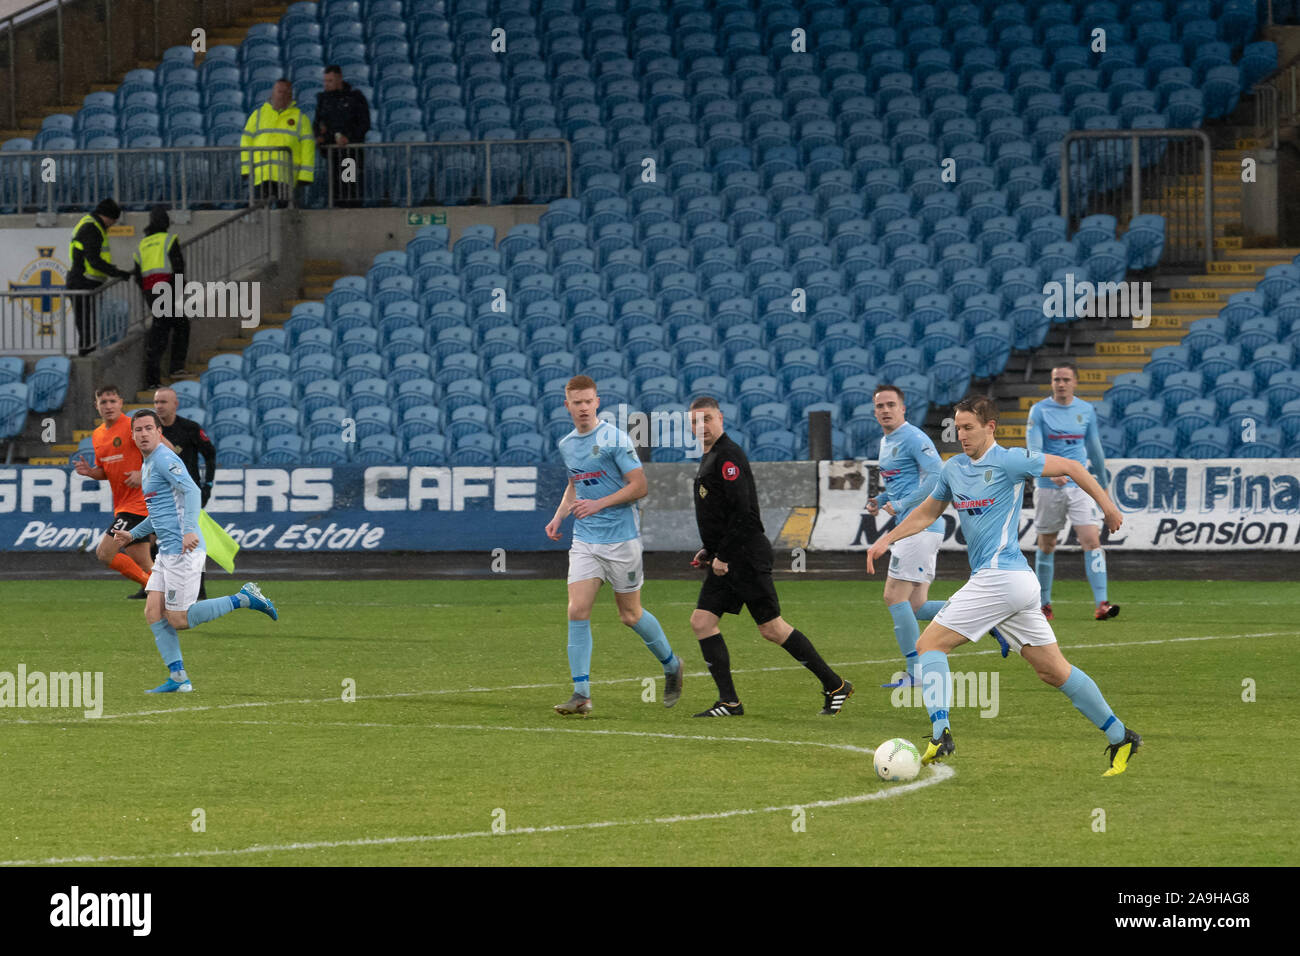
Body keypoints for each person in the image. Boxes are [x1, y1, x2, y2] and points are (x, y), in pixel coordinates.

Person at [866, 395, 1141, 776]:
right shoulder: (953, 469)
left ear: (990, 427)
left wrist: (1107, 507)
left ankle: (939, 732)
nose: (960, 435)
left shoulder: (1011, 460)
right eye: (957, 428)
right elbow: (927, 512)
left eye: (968, 428)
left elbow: (1074, 466)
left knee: (928, 644)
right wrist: (886, 539)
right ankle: (1121, 735)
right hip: (1015, 586)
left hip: (1000, 578)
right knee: (1053, 671)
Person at [687, 396, 852, 717]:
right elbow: (720, 513)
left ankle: (836, 685)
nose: (701, 427)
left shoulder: (728, 456)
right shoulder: (712, 457)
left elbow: (744, 514)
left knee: (772, 629)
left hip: (744, 556)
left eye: (706, 419)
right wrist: (710, 548)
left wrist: (722, 552)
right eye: (694, 422)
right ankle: (730, 703)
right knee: (702, 622)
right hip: (727, 556)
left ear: (720, 418)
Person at [544, 375, 684, 716]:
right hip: (585, 540)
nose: (582, 407)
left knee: (629, 614)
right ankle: (581, 694)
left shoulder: (614, 439)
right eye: (575, 402)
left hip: (621, 541)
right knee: (577, 610)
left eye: (587, 401)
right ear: (567, 406)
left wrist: (600, 503)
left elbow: (639, 487)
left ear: (597, 402)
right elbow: (576, 483)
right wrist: (559, 515)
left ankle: (671, 664)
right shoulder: (566, 444)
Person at [111, 409, 278, 694]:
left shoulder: (163, 459)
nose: (143, 434)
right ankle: (178, 678)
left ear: (158, 432)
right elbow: (158, 513)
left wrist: (189, 528)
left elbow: (191, 490)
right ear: (133, 435)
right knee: (153, 611)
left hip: (182, 549)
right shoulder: (149, 463)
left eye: (148, 428)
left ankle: (244, 598)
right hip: (167, 551)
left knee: (178, 619)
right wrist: (133, 535)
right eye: (137, 430)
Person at [1027, 361, 1118, 621]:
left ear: (1075, 382)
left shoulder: (1085, 410)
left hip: (1078, 485)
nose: (1061, 384)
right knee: (1047, 545)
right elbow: (1034, 447)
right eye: (1057, 380)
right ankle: (1044, 604)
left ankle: (1102, 603)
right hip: (1048, 486)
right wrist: (1048, 470)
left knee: (1092, 541)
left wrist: (1101, 479)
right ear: (1052, 383)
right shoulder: (1039, 410)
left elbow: (1094, 446)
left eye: (1066, 379)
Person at [73, 385, 154, 598]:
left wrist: (142, 472)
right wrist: (91, 472)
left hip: (139, 504)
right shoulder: (98, 434)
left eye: (112, 401)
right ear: (96, 406)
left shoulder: (133, 426)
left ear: (121, 402)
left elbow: (163, 451)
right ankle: (170, 595)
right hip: (123, 506)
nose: (108, 406)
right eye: (103, 402)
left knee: (105, 553)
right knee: (144, 562)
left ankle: (155, 590)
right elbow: (106, 470)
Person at [154, 386, 216, 598]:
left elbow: (210, 454)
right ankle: (156, 586)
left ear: (175, 404)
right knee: (155, 538)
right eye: (156, 402)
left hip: (187, 495)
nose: (159, 406)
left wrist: (208, 485)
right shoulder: (151, 430)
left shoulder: (189, 428)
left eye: (163, 402)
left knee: (191, 540)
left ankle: (200, 590)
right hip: (162, 495)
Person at [67, 199, 132, 355]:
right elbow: (94, 260)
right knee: (86, 327)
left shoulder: (92, 224)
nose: (113, 225)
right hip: (82, 283)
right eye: (113, 221)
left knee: (88, 326)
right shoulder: (92, 228)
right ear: (107, 217)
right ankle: (86, 358)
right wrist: (117, 272)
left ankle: (88, 355)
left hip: (84, 283)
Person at [135, 205, 188, 388]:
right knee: (171, 329)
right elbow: (178, 267)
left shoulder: (142, 244)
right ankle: (168, 371)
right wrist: (179, 290)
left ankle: (156, 377)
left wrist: (146, 291)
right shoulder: (168, 239)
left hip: (150, 291)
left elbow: (137, 274)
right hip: (166, 288)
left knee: (165, 327)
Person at [241, 78, 316, 206]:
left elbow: (307, 148)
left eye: (285, 92)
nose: (281, 95)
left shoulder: (300, 119)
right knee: (259, 214)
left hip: (287, 177)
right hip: (262, 175)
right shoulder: (257, 115)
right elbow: (246, 142)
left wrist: (306, 175)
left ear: (291, 95)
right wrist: (246, 169)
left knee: (287, 216)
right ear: (272, 93)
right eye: (279, 91)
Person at [314, 65, 370, 207]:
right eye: (325, 81)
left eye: (330, 81)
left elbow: (364, 124)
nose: (326, 84)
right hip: (332, 153)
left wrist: (349, 138)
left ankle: (351, 212)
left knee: (349, 185)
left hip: (349, 153)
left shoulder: (355, 98)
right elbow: (317, 123)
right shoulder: (323, 100)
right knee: (335, 187)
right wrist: (319, 136)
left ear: (339, 79)